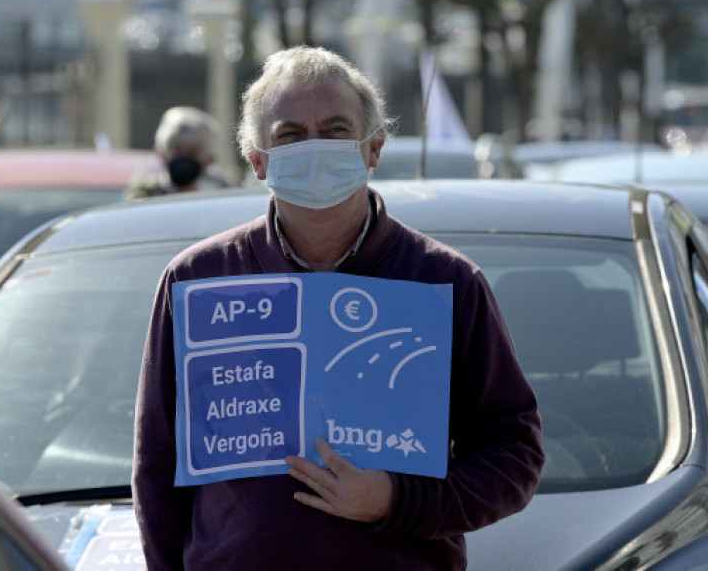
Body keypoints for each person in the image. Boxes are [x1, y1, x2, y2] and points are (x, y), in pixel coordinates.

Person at [132, 45, 544, 570]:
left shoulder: (447, 282)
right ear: (257, 161)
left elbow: (513, 452)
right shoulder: (197, 280)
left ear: (373, 149)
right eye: (290, 135)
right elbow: (157, 465)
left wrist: (396, 502)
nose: (315, 148)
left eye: (334, 131)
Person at [124, 106, 228, 199]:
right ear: (162, 154)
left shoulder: (222, 192)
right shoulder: (145, 193)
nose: (184, 158)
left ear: (209, 159)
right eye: (177, 151)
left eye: (192, 152)